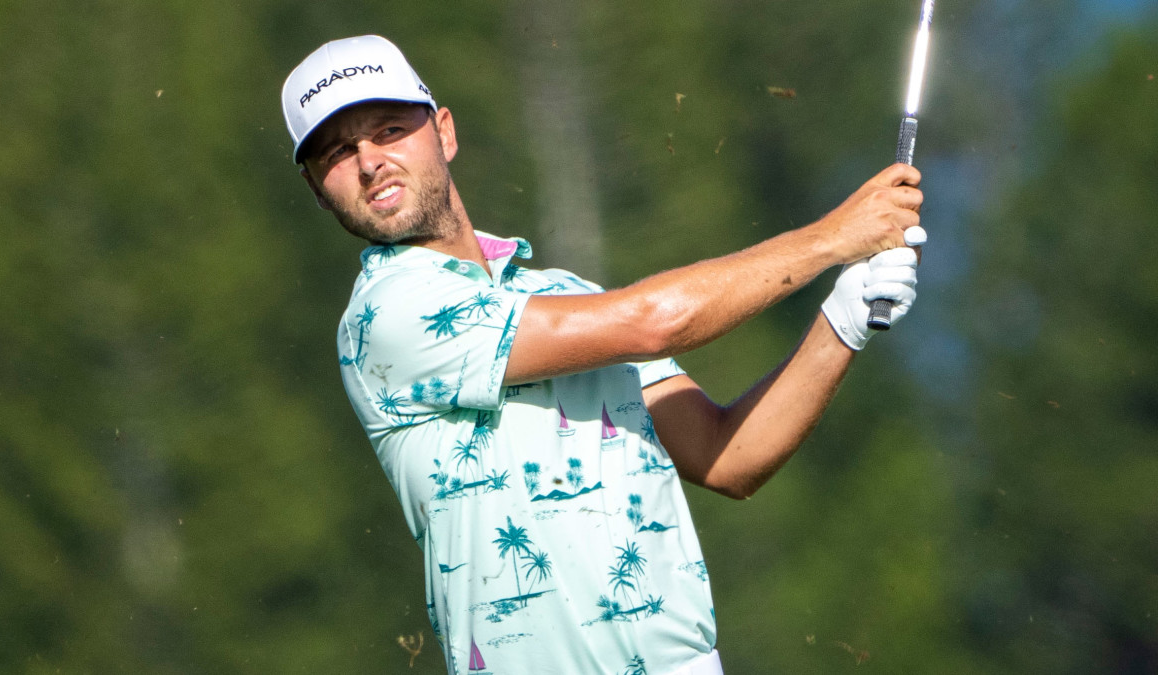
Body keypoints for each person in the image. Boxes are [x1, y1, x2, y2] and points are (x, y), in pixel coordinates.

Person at [281, 35, 923, 675]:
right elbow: (654, 322)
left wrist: (842, 319)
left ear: (443, 133)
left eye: (390, 130)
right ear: (316, 189)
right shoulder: (386, 315)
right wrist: (834, 237)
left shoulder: (562, 297)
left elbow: (728, 455)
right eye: (338, 151)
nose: (370, 162)